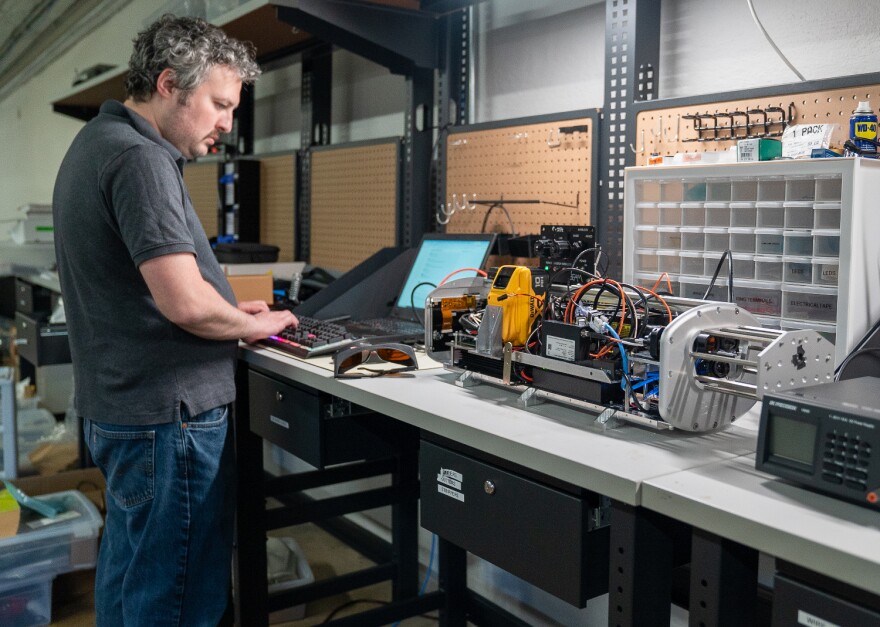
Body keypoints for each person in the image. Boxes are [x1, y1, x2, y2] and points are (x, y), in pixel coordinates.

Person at [52, 14, 297, 626]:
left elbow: (159, 288)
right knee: (178, 599)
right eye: (218, 104)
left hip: (127, 412)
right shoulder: (141, 160)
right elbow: (183, 305)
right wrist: (255, 328)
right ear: (168, 84)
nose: (226, 124)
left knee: (133, 578)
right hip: (170, 419)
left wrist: (228, 310)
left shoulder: (97, 142)